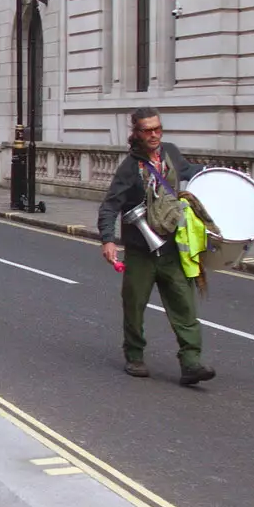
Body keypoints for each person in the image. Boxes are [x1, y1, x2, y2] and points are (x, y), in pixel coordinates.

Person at [97, 108, 216, 386]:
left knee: (184, 308)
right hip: (141, 251)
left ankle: (191, 363)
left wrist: (218, 175)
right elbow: (111, 204)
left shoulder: (171, 152)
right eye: (148, 130)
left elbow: (190, 173)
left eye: (158, 129)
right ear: (136, 134)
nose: (154, 135)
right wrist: (108, 239)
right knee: (135, 305)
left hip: (173, 249)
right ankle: (135, 356)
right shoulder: (129, 168)